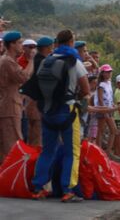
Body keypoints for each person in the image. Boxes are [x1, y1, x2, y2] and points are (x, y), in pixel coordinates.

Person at [29, 29, 90, 203]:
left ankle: (39, 187)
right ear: (71, 42)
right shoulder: (73, 61)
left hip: (47, 112)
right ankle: (68, 189)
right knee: (72, 151)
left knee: (47, 151)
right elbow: (85, 90)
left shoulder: (46, 61)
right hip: (67, 111)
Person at [0, 31, 29, 162]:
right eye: (19, 42)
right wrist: (32, 61)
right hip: (9, 107)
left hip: (10, 105)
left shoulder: (9, 60)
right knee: (13, 145)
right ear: (11, 44)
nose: (21, 45)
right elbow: (24, 77)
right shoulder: (7, 61)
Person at [25, 36, 54, 147]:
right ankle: (35, 162)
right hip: (37, 102)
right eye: (51, 47)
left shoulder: (36, 60)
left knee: (32, 134)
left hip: (31, 101)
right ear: (47, 47)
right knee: (37, 136)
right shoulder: (43, 62)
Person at [96, 64, 117, 156]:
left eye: (110, 72)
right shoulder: (101, 85)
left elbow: (109, 97)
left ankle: (107, 151)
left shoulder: (109, 83)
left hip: (109, 109)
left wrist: (112, 105)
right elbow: (100, 99)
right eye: (107, 72)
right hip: (103, 110)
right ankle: (99, 151)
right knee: (101, 130)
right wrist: (104, 111)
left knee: (113, 130)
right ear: (102, 73)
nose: (109, 74)